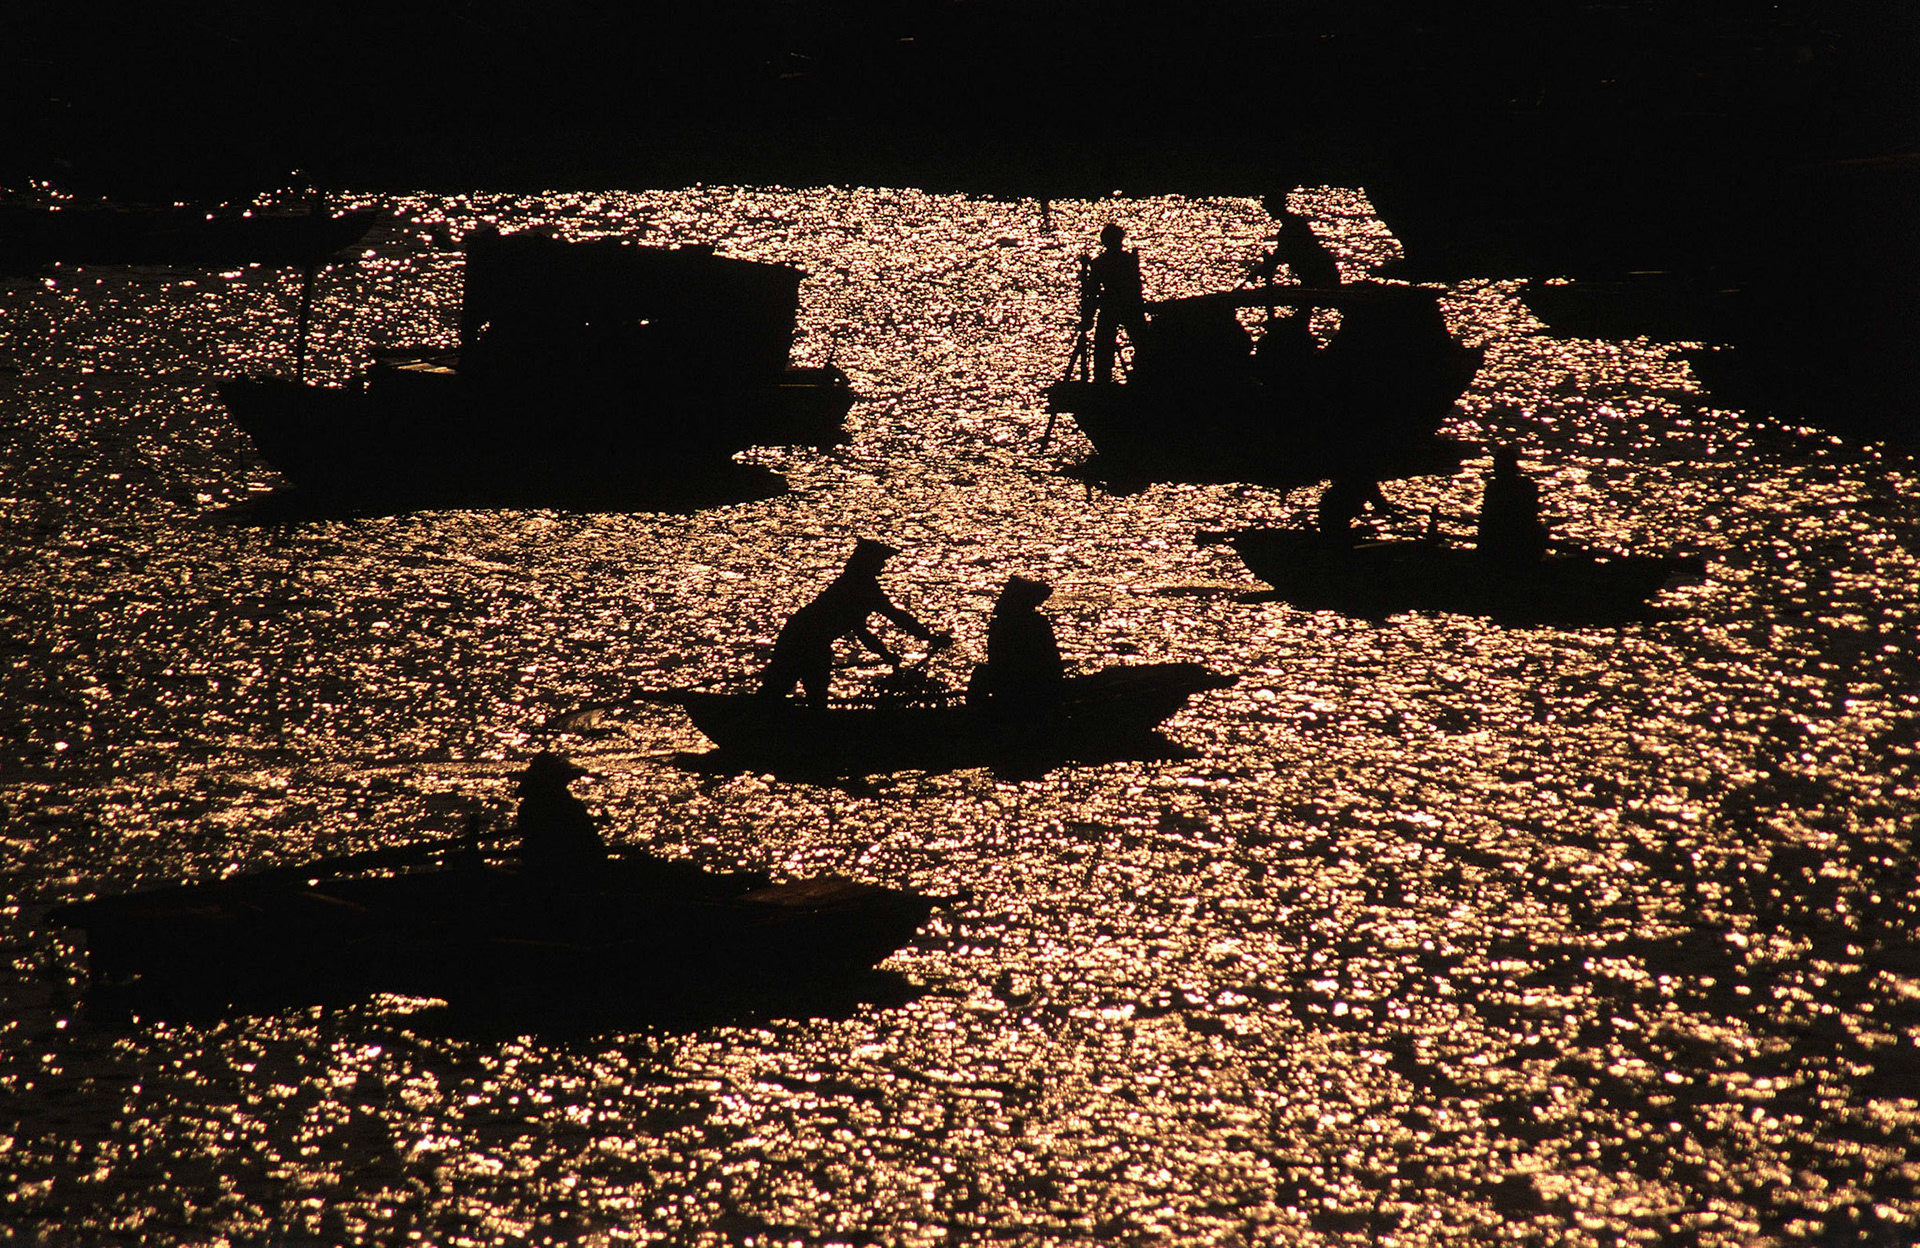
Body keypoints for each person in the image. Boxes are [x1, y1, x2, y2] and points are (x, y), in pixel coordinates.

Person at [757, 538, 947, 704]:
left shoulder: (854, 584)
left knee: (804, 693)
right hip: (803, 640)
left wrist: (885, 654)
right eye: (880, 561)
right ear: (867, 562)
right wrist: (929, 637)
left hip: (810, 640)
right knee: (783, 691)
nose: (882, 566)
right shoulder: (861, 587)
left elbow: (861, 631)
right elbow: (896, 616)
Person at [967, 576, 1065, 713]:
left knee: (981, 673)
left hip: (1024, 683)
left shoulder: (1003, 623)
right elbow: (1054, 662)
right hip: (1025, 684)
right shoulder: (1034, 623)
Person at [513, 752, 605, 873]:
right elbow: (594, 847)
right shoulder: (570, 806)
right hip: (572, 868)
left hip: (538, 867)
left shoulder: (527, 807)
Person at [1079, 224, 1147, 383]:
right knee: (1106, 345)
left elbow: (1093, 292)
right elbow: (1094, 291)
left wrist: (1089, 315)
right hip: (1119, 305)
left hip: (1123, 305)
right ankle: (1105, 379)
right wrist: (1089, 316)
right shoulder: (1123, 260)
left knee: (1141, 343)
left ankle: (1137, 377)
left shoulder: (1106, 262)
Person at [1246, 194, 1341, 289]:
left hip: (1320, 272)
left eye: (1269, 209)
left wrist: (1259, 272)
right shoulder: (1294, 223)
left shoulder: (1291, 227)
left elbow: (1280, 256)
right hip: (1314, 272)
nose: (1268, 212)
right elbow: (1279, 256)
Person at [1477, 445, 1552, 562]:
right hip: (1514, 538)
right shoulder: (1527, 485)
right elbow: (1534, 512)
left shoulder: (1494, 486)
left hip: (1507, 539)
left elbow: (1485, 518)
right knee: (1541, 532)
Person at [1316, 476, 1400, 547]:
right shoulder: (1367, 483)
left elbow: (1380, 505)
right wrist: (1395, 515)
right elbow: (1380, 506)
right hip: (1332, 516)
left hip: (1334, 516)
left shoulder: (1356, 482)